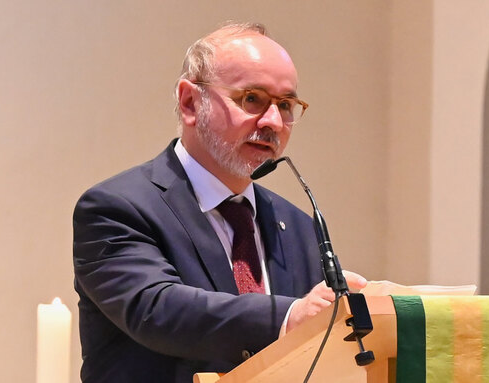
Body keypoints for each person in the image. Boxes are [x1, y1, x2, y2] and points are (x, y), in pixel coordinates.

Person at [72, 22, 367, 382]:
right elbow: (157, 310)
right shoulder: (118, 207)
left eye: (286, 105)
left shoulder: (300, 226)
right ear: (190, 102)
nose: (273, 121)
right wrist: (290, 316)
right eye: (252, 99)